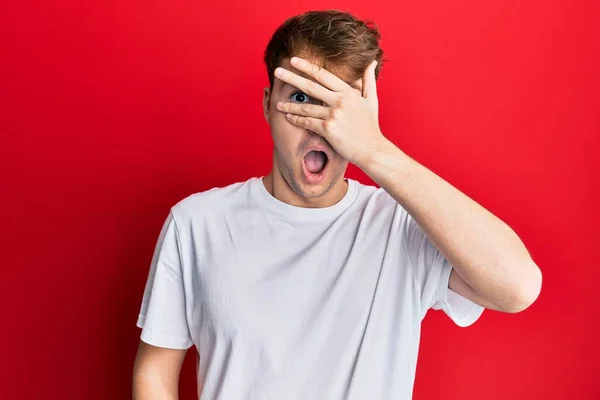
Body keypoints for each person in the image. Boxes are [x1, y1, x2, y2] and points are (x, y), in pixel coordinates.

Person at [132, 9, 542, 400]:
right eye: (300, 98)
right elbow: (156, 369)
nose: (321, 126)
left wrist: (375, 150)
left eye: (340, 105)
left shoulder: (401, 227)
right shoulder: (197, 223)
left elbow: (518, 288)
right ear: (267, 105)